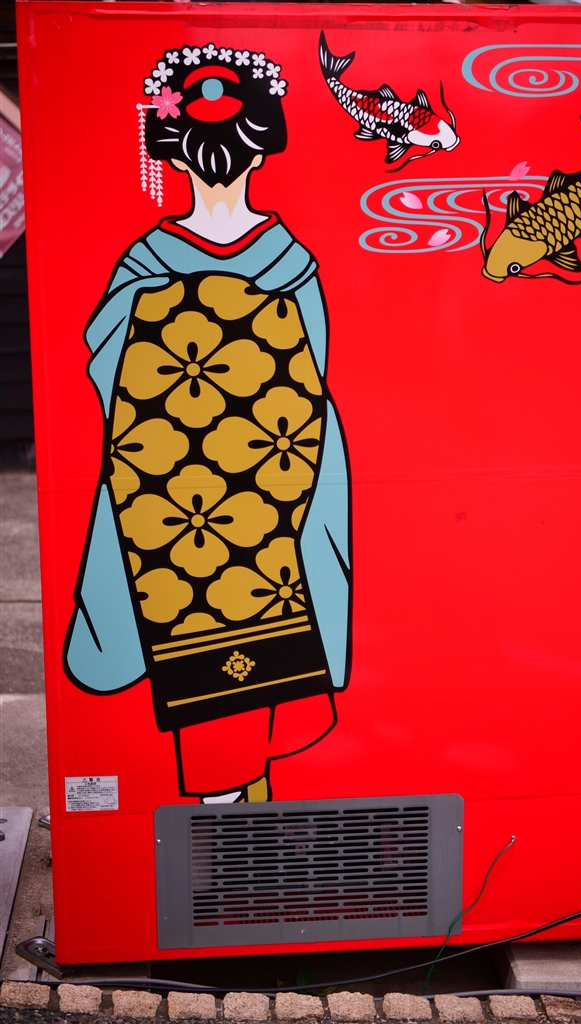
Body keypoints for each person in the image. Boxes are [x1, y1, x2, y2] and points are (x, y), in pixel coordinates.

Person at [64, 43, 352, 804]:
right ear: (264, 148)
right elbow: (315, 381)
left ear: (170, 152)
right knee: (251, 666)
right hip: (268, 494)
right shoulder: (290, 265)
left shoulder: (144, 267)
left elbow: (106, 364)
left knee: (203, 655)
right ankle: (236, 827)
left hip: (170, 505)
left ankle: (232, 823)